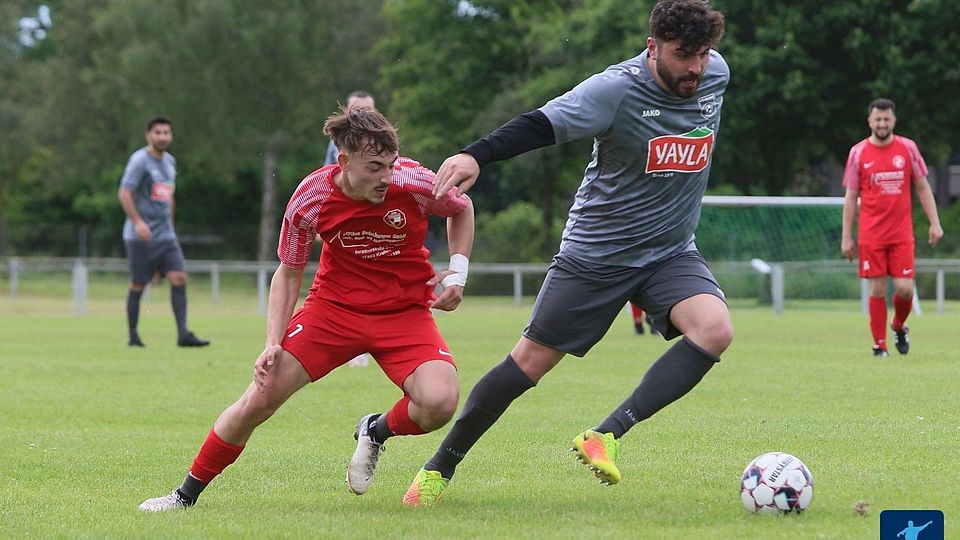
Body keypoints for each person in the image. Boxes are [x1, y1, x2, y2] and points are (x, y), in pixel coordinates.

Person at [402, 0, 731, 507]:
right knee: (528, 364)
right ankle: (439, 468)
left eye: (703, 54)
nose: (695, 67)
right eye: (683, 54)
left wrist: (705, 61)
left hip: (669, 252)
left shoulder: (715, 76)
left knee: (715, 330)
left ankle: (606, 434)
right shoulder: (614, 90)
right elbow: (540, 124)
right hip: (596, 255)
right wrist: (476, 153)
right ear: (652, 48)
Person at [138, 106, 475, 511]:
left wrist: (457, 273)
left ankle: (376, 430)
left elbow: (462, 208)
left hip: (404, 312)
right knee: (258, 399)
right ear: (343, 161)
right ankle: (183, 495)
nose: (385, 177)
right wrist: (271, 342)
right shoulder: (311, 198)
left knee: (439, 403)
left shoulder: (414, 181)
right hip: (332, 312)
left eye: (389, 165)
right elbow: (289, 272)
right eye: (373, 168)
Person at [841, 98, 943, 357]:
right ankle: (880, 346)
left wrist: (935, 222)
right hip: (871, 234)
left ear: (894, 120)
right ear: (870, 121)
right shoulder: (858, 153)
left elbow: (922, 187)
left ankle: (898, 324)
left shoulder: (907, 149)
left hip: (901, 234)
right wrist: (846, 237)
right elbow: (851, 197)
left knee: (905, 288)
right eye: (878, 119)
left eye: (887, 119)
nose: (882, 124)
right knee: (876, 289)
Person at [118, 116, 209, 348]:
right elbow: (125, 193)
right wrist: (138, 222)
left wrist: (171, 226)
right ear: (149, 135)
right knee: (139, 283)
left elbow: (169, 196)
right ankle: (133, 336)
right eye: (157, 132)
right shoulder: (139, 161)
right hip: (141, 235)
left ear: (171, 136)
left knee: (179, 277)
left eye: (166, 133)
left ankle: (183, 334)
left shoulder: (170, 162)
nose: (162, 137)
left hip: (166, 235)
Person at [324, 90, 376, 367]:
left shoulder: (384, 145)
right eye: (357, 110)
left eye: (368, 110)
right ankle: (352, 345)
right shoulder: (336, 148)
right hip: (346, 229)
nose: (363, 116)